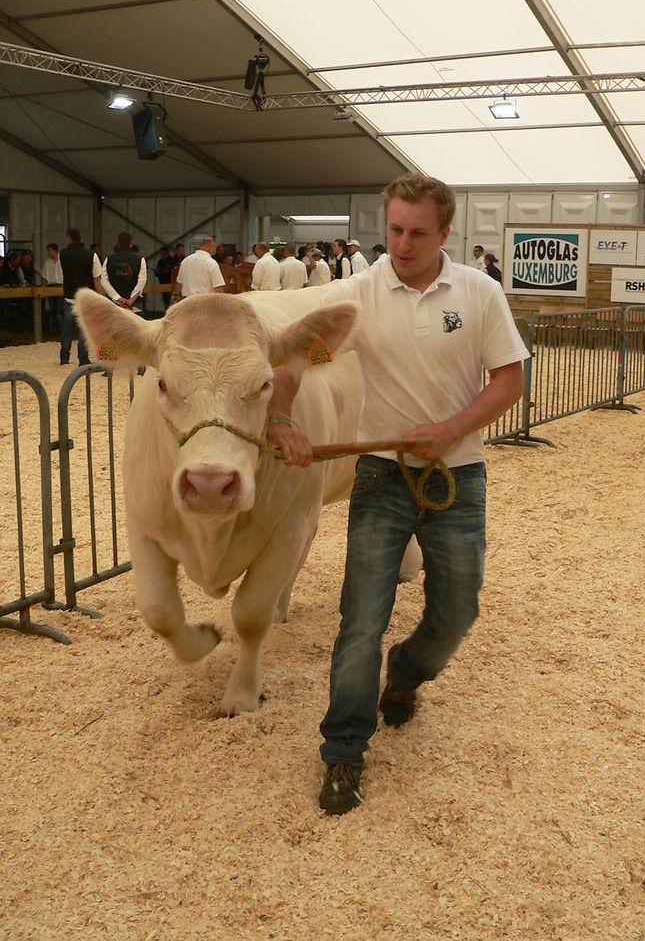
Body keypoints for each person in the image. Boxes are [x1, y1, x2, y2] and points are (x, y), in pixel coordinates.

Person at [267, 174, 529, 815]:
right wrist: (281, 418)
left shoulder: (478, 292)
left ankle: (407, 674)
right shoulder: (358, 295)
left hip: (457, 478)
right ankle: (343, 752)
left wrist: (449, 431)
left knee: (456, 614)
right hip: (381, 477)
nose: (403, 244)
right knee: (360, 622)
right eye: (394, 230)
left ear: (446, 233)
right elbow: (291, 361)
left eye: (417, 232)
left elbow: (509, 380)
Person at [59, 227, 103, 366]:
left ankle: (64, 356)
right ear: (81, 238)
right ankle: (83, 357)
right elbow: (97, 279)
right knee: (85, 328)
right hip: (86, 298)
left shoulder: (62, 255)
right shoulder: (92, 255)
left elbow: (63, 275)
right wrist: (101, 297)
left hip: (69, 296)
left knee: (67, 328)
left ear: (69, 238)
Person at [101, 231, 147, 311]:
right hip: (134, 303)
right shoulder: (140, 260)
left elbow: (104, 281)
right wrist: (130, 300)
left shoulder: (109, 259)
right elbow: (142, 281)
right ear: (131, 243)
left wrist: (118, 298)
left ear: (118, 243)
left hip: (114, 303)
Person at [175, 234, 226, 298]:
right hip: (204, 302)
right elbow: (218, 288)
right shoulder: (211, 263)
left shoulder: (185, 261)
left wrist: (174, 297)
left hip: (187, 302)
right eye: (214, 247)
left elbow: (179, 283)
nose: (215, 250)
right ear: (211, 246)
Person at [42, 242, 64, 329]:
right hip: (51, 286)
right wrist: (44, 290)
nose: (48, 253)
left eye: (49, 250)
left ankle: (62, 325)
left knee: (60, 307)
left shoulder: (62, 261)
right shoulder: (47, 262)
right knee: (52, 308)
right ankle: (55, 326)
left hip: (60, 286)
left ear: (55, 250)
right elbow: (45, 277)